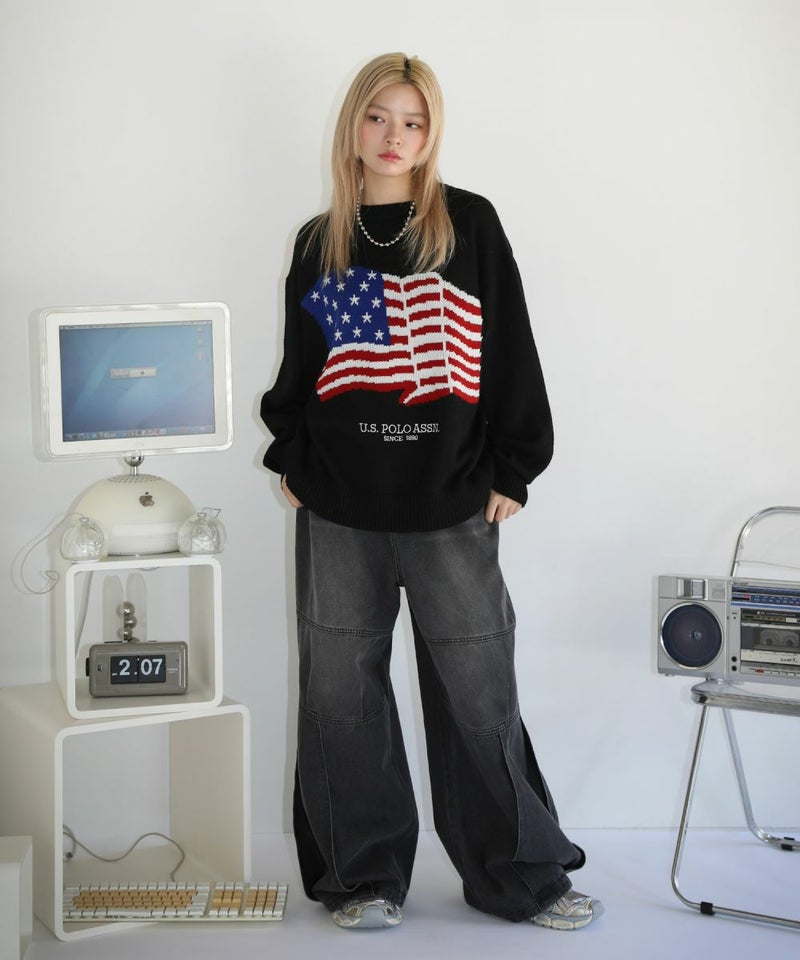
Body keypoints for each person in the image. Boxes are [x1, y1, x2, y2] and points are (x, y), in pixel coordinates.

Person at [260, 52, 602, 932]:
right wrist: (291, 457)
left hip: (452, 504)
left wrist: (515, 467)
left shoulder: (469, 224)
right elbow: (303, 366)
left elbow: (509, 348)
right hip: (339, 508)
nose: (393, 137)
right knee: (340, 699)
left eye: (412, 122)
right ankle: (362, 877)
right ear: (353, 124)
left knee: (480, 696)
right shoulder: (320, 241)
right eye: (378, 117)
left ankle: (521, 876)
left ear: (431, 133)